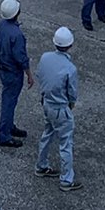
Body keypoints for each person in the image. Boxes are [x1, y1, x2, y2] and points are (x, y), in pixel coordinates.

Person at [35, 26, 80, 191]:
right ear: (70, 45)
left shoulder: (45, 57)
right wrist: (71, 103)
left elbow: (40, 75)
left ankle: (41, 165)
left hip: (47, 102)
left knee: (47, 133)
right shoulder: (70, 68)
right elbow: (72, 93)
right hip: (60, 108)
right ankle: (66, 180)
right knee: (65, 143)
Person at [0, 0, 32, 148]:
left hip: (4, 69)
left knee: (10, 100)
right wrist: (29, 74)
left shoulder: (1, 25)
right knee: (9, 103)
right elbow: (21, 57)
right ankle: (4, 135)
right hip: (13, 72)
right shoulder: (17, 35)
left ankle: (9, 126)